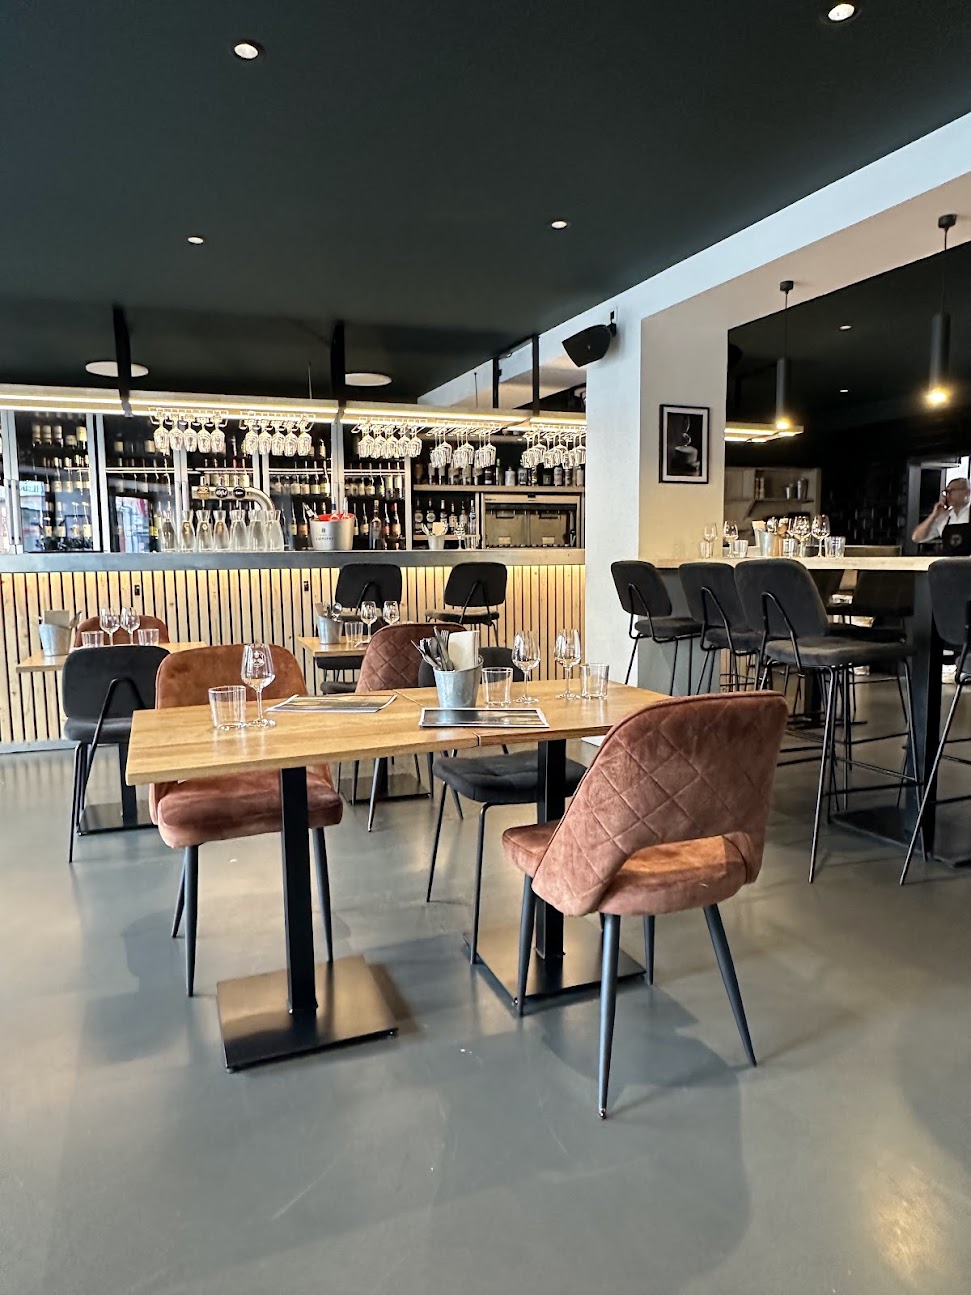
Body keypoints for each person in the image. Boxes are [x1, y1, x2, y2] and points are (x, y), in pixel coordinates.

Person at [912, 477, 971, 543]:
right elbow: (916, 538)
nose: (948, 495)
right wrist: (933, 516)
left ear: (967, 492)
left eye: (952, 491)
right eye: (946, 492)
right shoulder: (945, 517)